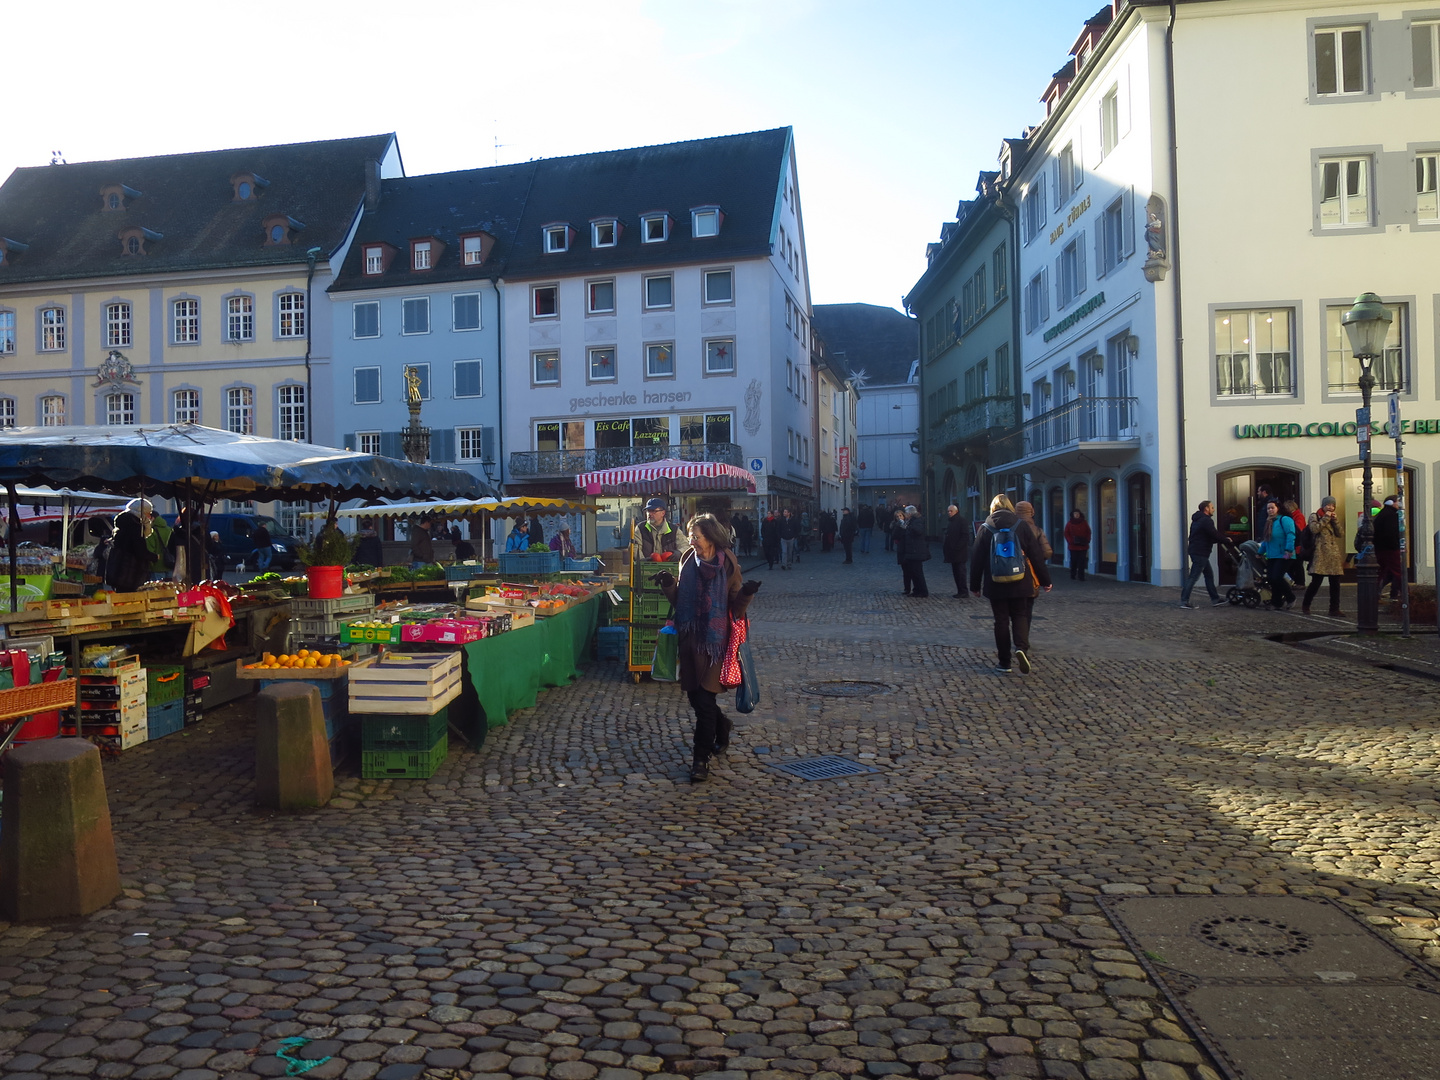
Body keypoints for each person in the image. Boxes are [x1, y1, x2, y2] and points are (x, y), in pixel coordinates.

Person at [655, 514, 761, 783]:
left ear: (711, 538)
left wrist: (746, 593)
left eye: (696, 536)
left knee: (704, 701)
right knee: (695, 698)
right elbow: (681, 601)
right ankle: (722, 725)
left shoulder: (728, 564)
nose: (692, 541)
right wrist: (668, 583)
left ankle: (700, 760)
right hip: (690, 638)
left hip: (716, 641)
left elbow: (735, 608)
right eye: (690, 536)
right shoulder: (687, 560)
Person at [970, 494, 1052, 674]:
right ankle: (1021, 648)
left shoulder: (985, 528)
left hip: (995, 580)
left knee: (1000, 620)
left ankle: (1004, 662)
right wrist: (1045, 580)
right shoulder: (1021, 525)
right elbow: (1036, 555)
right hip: (1020, 580)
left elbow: (976, 559)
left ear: (992, 508)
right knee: (1020, 615)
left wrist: (974, 585)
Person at [1303, 496, 1346, 617]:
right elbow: (1314, 529)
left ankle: (1334, 609)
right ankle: (1306, 605)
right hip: (1320, 553)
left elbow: (1340, 534)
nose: (1330, 507)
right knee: (1316, 582)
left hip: (1332, 554)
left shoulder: (1332, 519)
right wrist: (1326, 518)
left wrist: (1335, 521)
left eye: (1332, 506)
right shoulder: (1315, 516)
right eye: (1328, 505)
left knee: (1335, 583)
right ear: (1323, 505)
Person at [1179, 500, 1227, 609]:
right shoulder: (1206, 521)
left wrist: (1218, 540)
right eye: (1212, 507)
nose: (1213, 509)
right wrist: (1225, 540)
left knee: (1209, 575)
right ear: (1206, 509)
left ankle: (1215, 599)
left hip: (1196, 550)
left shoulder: (1197, 520)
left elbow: (1204, 536)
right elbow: (1213, 534)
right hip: (1201, 552)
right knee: (1193, 577)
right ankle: (1184, 601)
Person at [105, 508, 152, 592]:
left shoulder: (119, 531)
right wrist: (154, 556)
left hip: (117, 573)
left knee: (121, 597)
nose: (149, 517)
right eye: (148, 513)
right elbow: (140, 551)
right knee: (131, 598)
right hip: (130, 574)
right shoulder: (136, 530)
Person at [1260, 499, 1295, 610]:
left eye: (1272, 508)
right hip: (1272, 555)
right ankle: (1277, 602)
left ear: (1278, 508)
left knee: (1277, 577)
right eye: (1268, 508)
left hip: (1284, 554)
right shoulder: (1269, 522)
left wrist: (1288, 549)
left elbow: (1290, 534)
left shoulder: (1285, 520)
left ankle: (1290, 597)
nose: (1270, 510)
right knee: (1271, 578)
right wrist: (1260, 552)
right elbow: (1267, 540)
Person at [1374, 496, 1403, 600]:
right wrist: (1397, 546)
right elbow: (1390, 533)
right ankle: (1406, 594)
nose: (1399, 504)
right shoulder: (1391, 515)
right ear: (1391, 503)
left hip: (1381, 548)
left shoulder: (1382, 514)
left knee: (1383, 571)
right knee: (1398, 571)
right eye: (1397, 502)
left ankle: (1374, 594)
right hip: (1390, 549)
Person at [942, 504, 971, 598]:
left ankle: (963, 591)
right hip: (953, 552)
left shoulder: (961, 521)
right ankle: (960, 591)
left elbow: (965, 536)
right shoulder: (951, 521)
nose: (949, 513)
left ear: (956, 511)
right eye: (948, 511)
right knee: (956, 572)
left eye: (951, 511)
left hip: (960, 552)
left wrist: (957, 547)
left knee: (961, 572)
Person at [902, 506, 931, 597]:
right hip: (912, 550)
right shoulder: (912, 521)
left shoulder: (917, 521)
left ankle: (923, 591)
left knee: (918, 572)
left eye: (906, 513)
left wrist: (908, 526)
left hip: (916, 550)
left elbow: (918, 531)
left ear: (910, 513)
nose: (905, 515)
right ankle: (917, 590)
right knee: (913, 572)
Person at [1063, 510, 1091, 582]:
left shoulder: (1084, 523)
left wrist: (1087, 540)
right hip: (1073, 546)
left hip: (1083, 545)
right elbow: (1066, 533)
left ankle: (1081, 576)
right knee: (1074, 561)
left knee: (1082, 561)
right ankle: (1073, 574)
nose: (1076, 515)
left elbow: (1088, 532)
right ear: (1073, 515)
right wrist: (1070, 541)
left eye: (1078, 514)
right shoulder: (1069, 523)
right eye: (1075, 514)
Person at [891, 509, 911, 594]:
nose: (899, 518)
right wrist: (898, 527)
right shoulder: (896, 525)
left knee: (911, 570)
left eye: (900, 516)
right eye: (897, 516)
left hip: (908, 549)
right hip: (901, 549)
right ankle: (907, 588)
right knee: (905, 570)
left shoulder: (908, 524)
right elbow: (894, 536)